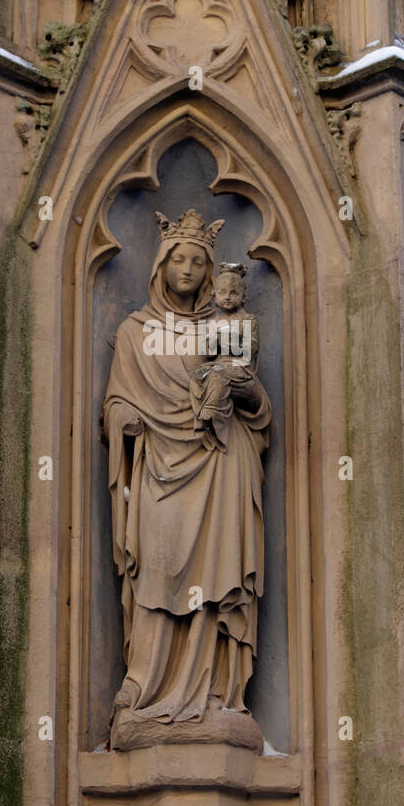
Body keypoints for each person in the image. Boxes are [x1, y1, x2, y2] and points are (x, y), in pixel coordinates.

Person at [101, 209, 271, 749]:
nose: (190, 270)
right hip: (157, 469)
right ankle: (146, 683)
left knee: (217, 581)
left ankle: (218, 693)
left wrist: (246, 394)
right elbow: (115, 404)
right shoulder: (135, 332)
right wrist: (123, 420)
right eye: (180, 259)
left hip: (222, 463)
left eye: (200, 262)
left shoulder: (225, 328)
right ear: (161, 265)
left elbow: (259, 407)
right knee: (158, 568)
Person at [189, 262, 259, 453]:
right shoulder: (213, 322)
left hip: (239, 367)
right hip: (218, 365)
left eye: (233, 293)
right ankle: (202, 413)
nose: (227, 297)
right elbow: (208, 353)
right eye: (222, 293)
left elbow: (250, 349)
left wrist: (227, 341)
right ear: (214, 296)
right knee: (197, 375)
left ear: (243, 297)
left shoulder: (247, 320)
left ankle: (211, 411)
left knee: (219, 374)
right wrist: (212, 339)